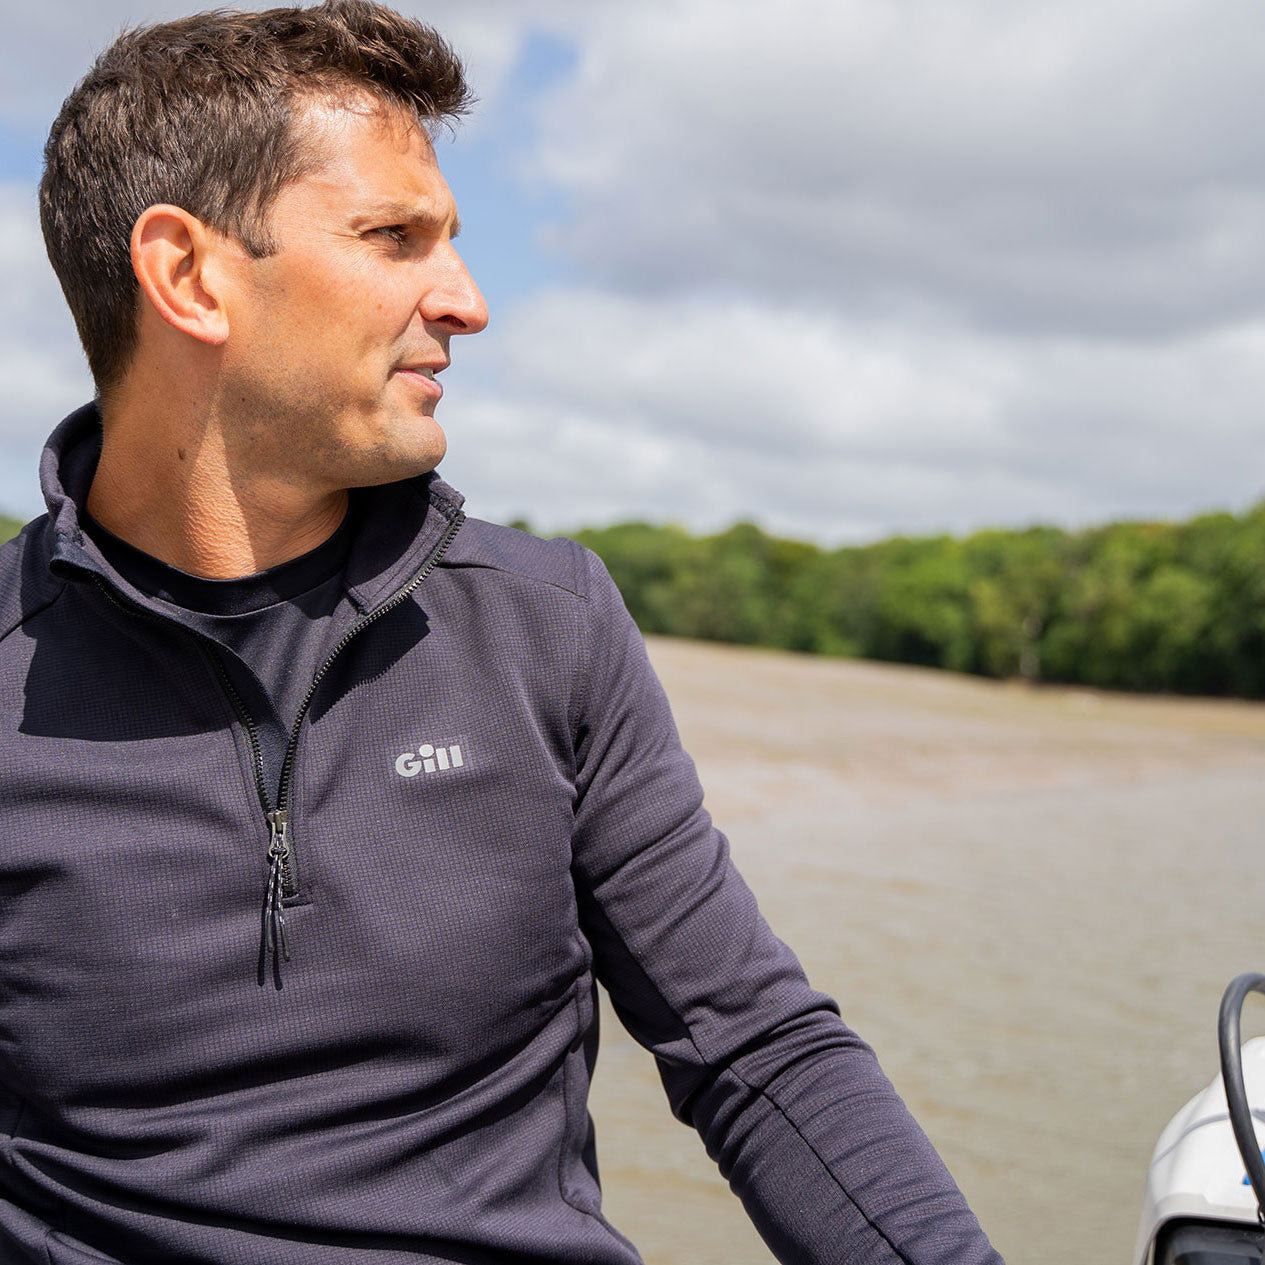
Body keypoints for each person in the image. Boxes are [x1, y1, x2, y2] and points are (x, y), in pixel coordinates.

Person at [0, 2, 1003, 1262]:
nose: (466, 302)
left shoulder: (547, 623)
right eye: (393, 237)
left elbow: (753, 1048)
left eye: (455, 243)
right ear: (189, 276)